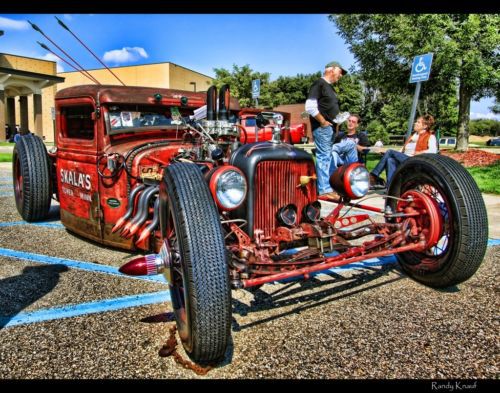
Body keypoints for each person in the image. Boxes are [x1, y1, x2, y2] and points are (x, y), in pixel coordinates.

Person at [305, 61, 347, 201]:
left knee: (328, 157)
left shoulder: (328, 87)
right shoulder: (319, 84)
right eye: (340, 72)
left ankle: (330, 187)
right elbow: (310, 106)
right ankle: (324, 190)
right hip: (322, 128)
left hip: (329, 128)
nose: (340, 76)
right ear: (332, 69)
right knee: (324, 156)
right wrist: (322, 121)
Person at [370, 114, 438, 188]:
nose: (415, 123)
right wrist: (386, 152)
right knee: (390, 160)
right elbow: (401, 150)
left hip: (416, 161)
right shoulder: (412, 136)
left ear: (425, 126)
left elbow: (433, 151)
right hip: (405, 159)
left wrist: (420, 152)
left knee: (390, 152)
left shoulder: (430, 136)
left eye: (418, 122)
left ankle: (373, 175)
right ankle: (391, 189)